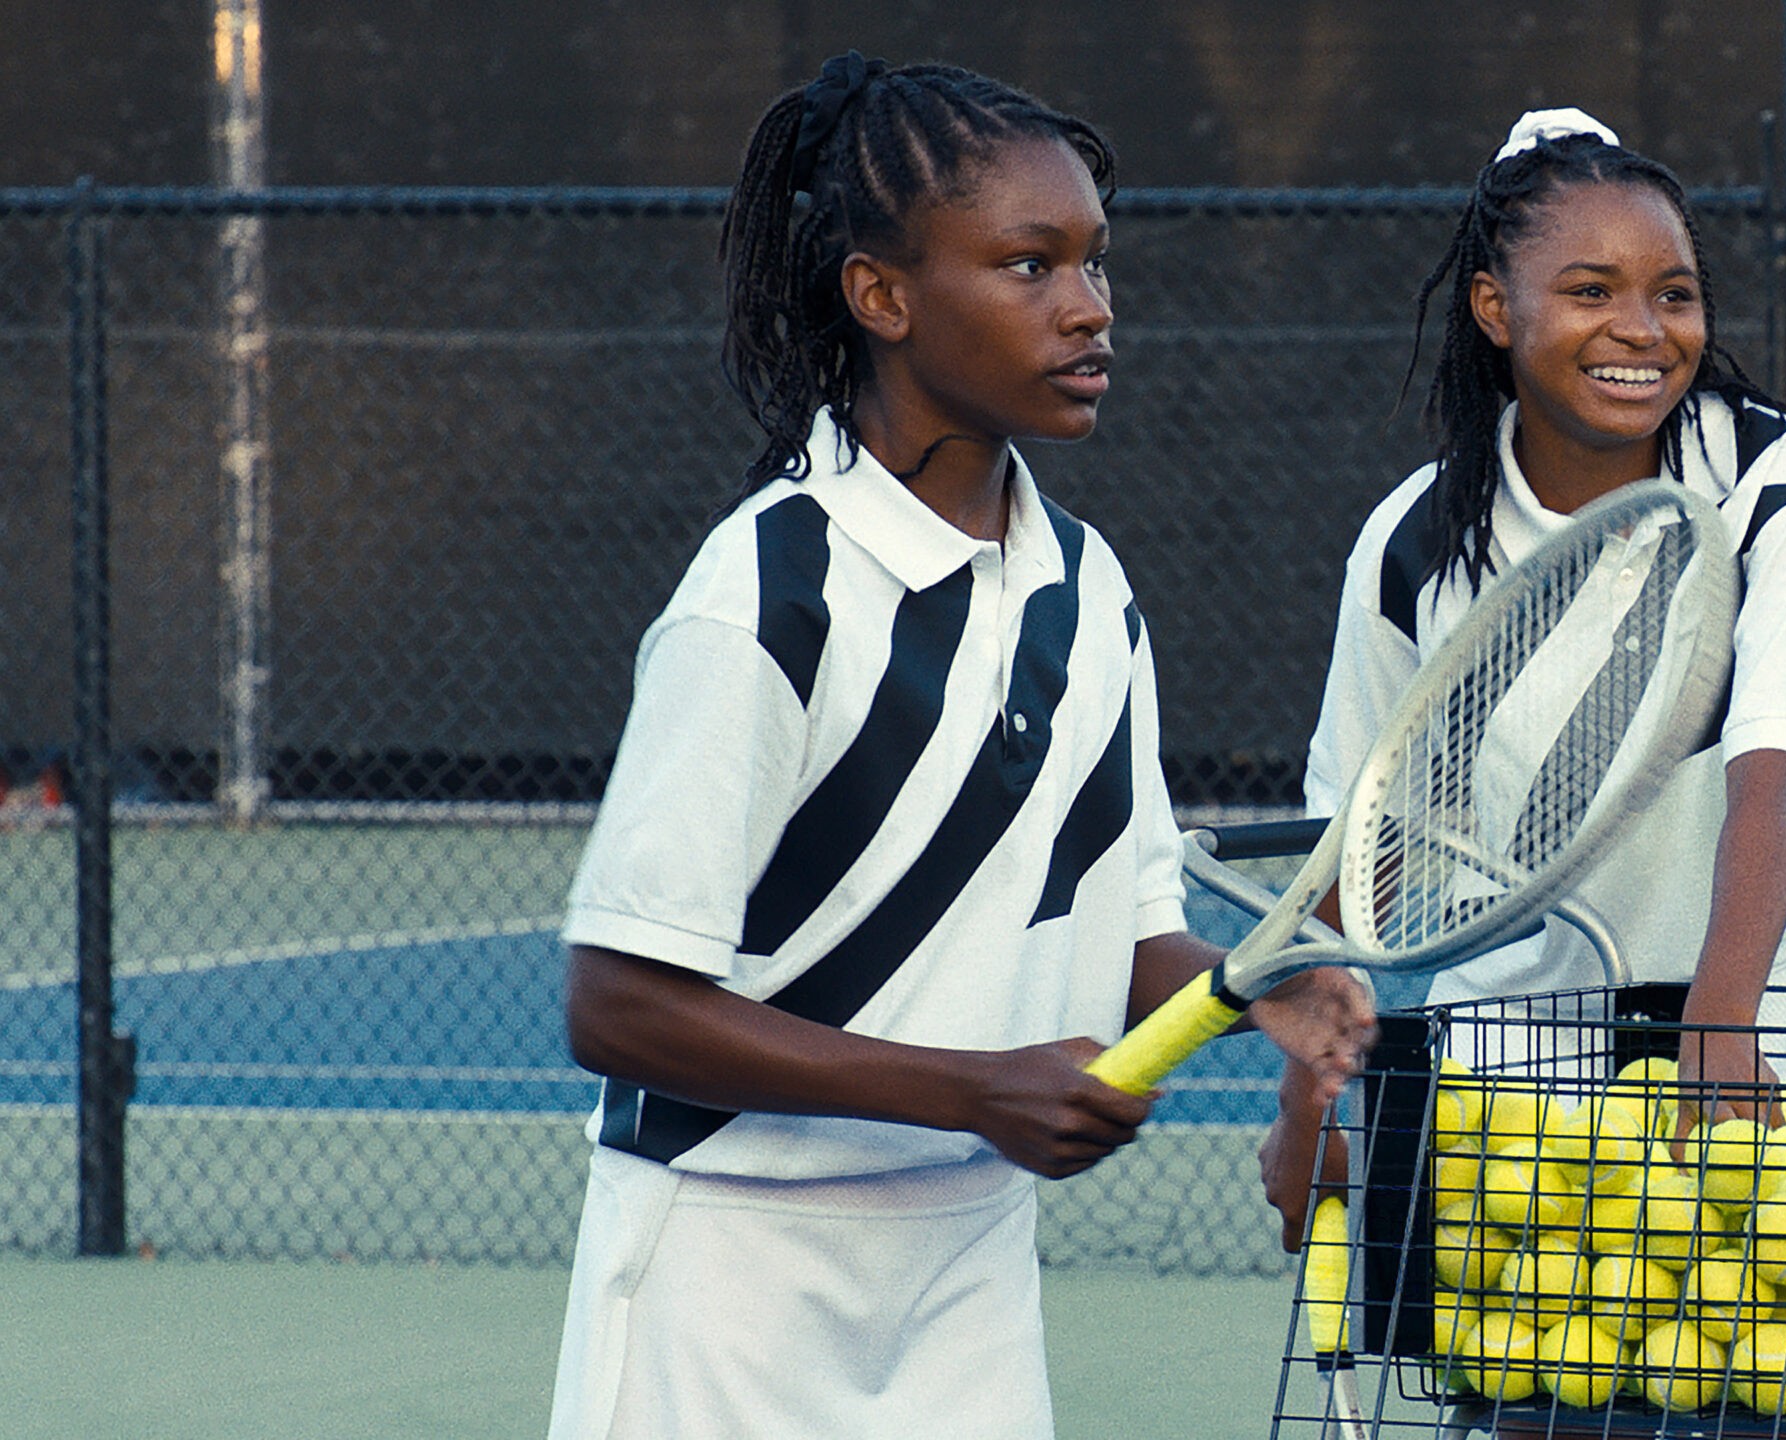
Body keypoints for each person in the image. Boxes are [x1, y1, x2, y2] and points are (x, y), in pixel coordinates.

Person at [545, 52, 1373, 1440]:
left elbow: (1121, 922)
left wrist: (1255, 993)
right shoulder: (767, 590)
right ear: (882, 296)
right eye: (1029, 266)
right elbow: (616, 1006)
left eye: (1097, 264)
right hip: (727, 1280)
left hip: (970, 1276)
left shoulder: (1091, 589)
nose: (1089, 308)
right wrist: (975, 1092)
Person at [1261, 107, 1786, 1251]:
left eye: (1674, 293)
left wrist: (1720, 1023)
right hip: (1520, 1070)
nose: (1641, 330)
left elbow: (1775, 777)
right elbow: (1360, 849)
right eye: (1591, 291)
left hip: (1770, 1030)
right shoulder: (1408, 542)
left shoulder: (1770, 474)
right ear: (1498, 311)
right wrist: (1307, 1094)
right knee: (1538, 1417)